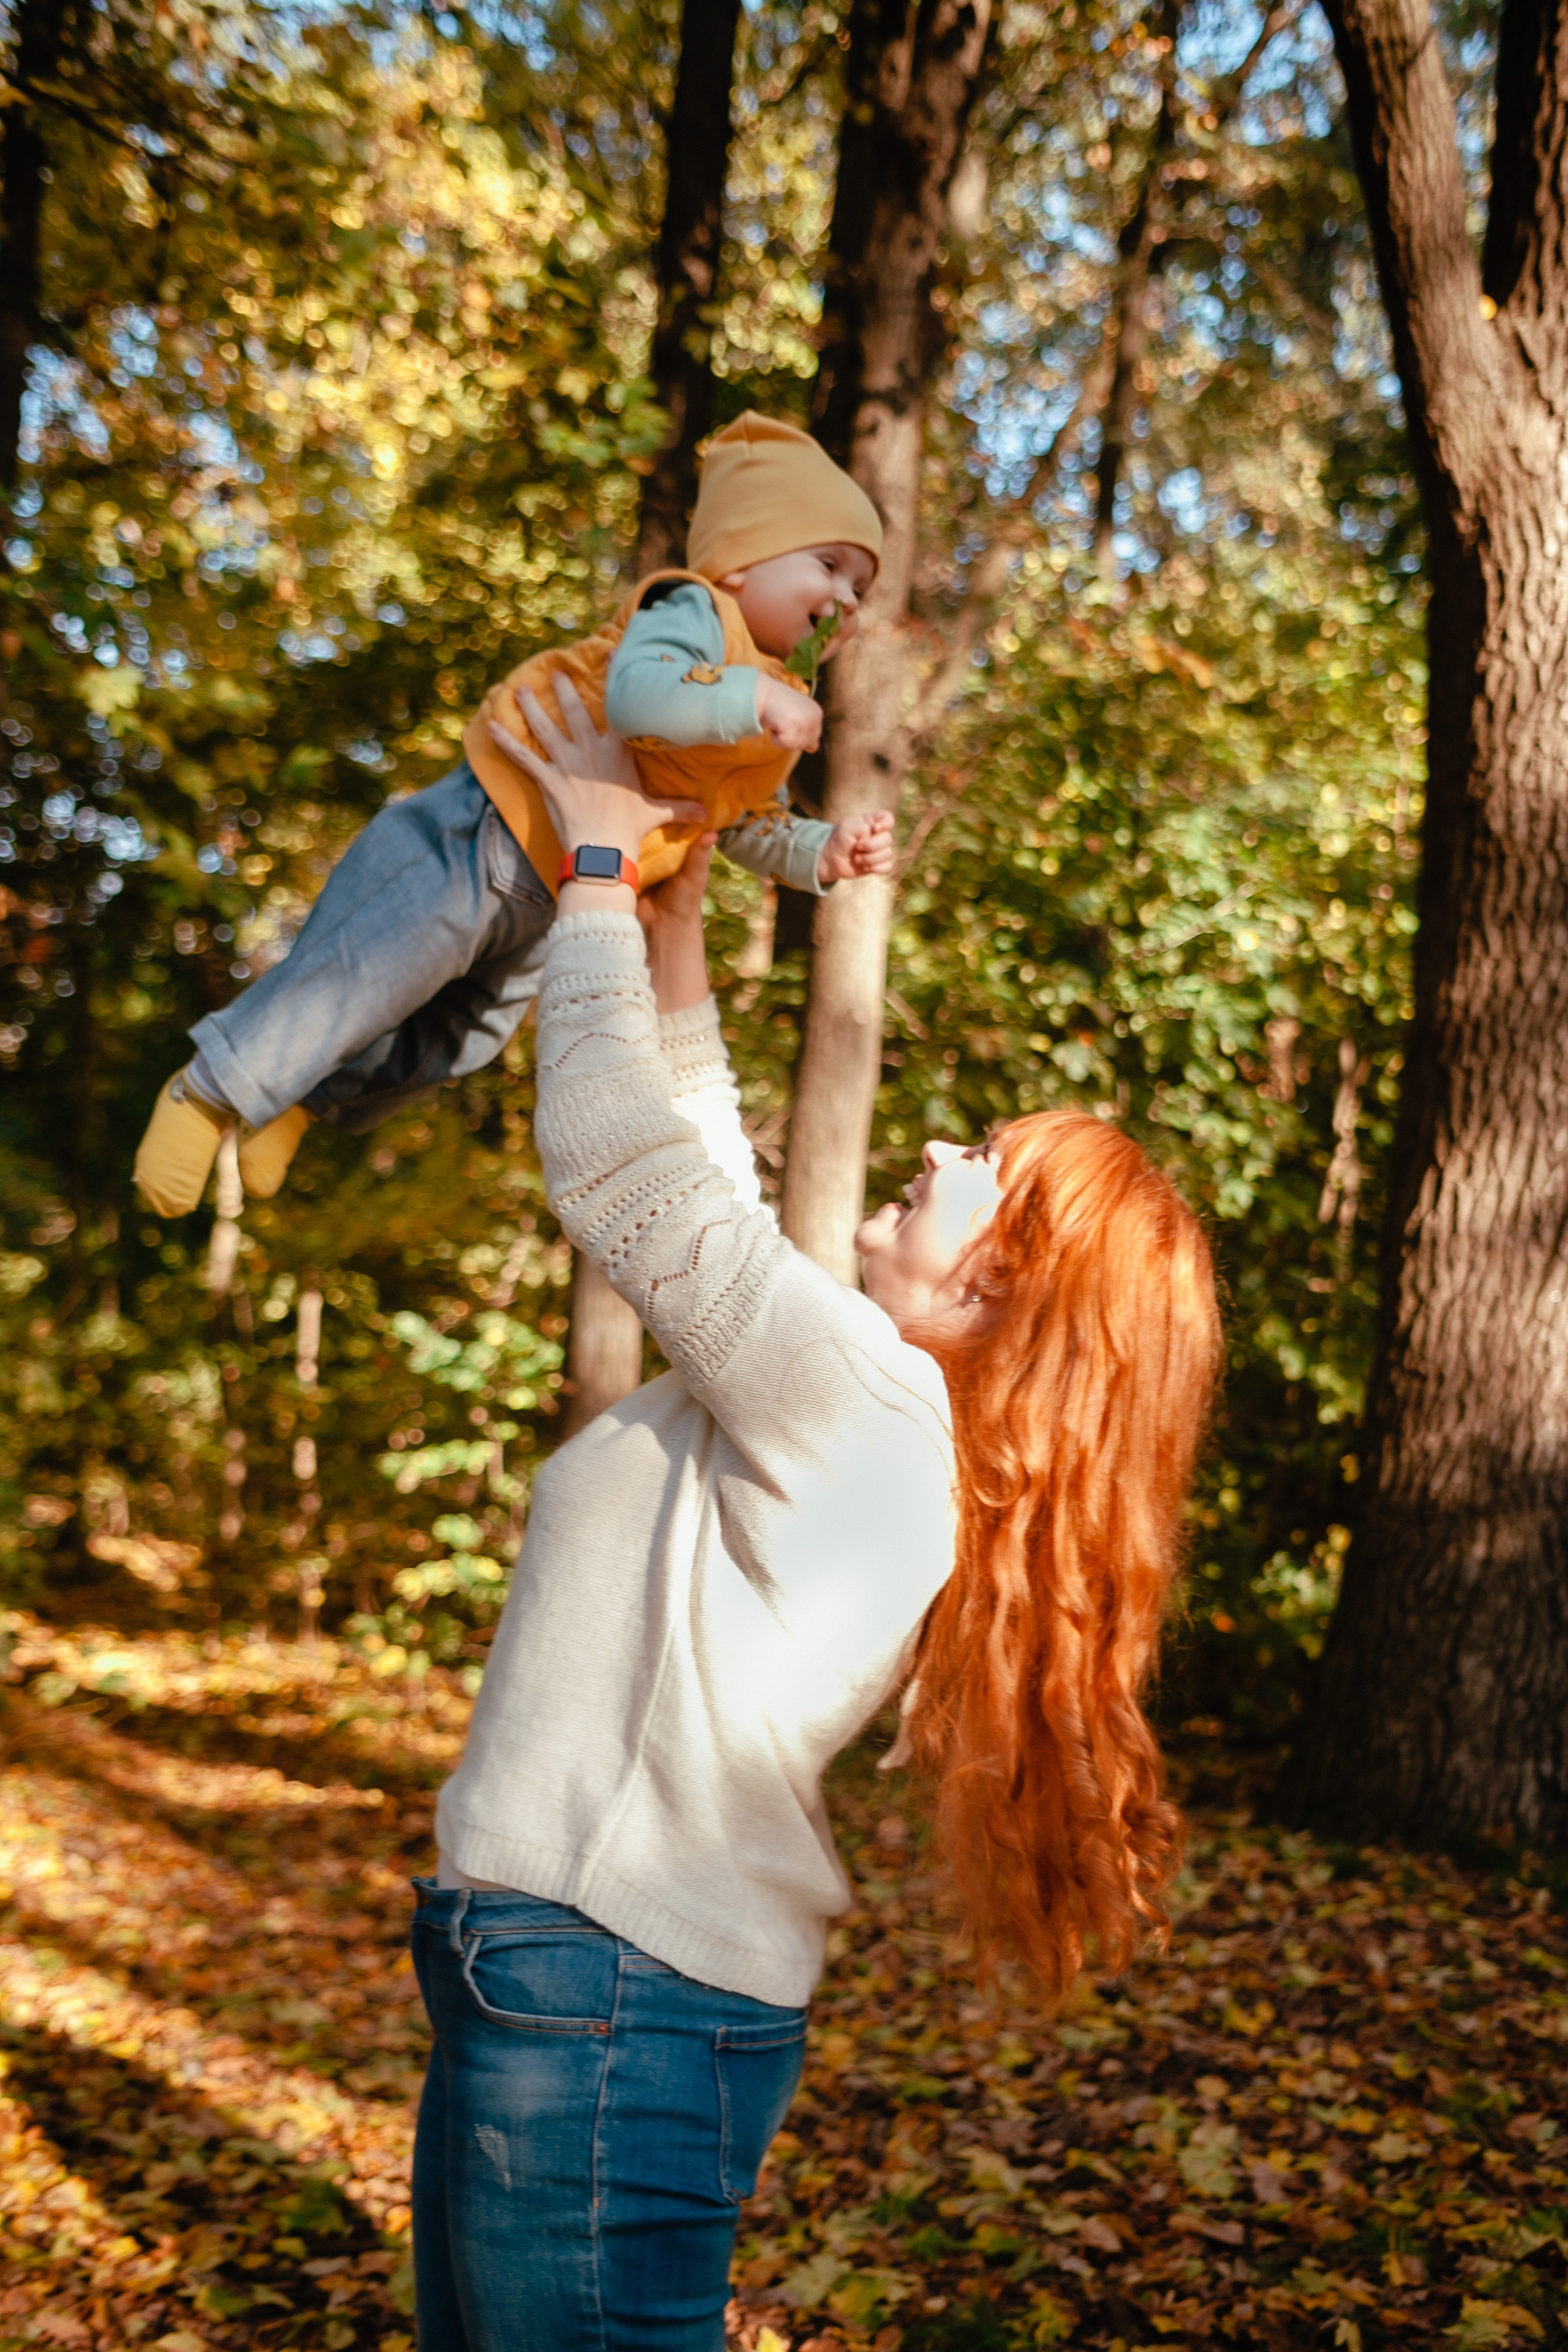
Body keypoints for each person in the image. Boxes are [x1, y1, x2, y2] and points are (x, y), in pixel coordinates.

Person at [408, 687, 1223, 2352]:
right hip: (600, 1993)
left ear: (1009, 1287)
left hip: (600, 1995)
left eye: (985, 1158)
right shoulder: (862, 1412)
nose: (938, 1145)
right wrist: (675, 931)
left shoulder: (860, 1405)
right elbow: (697, 1171)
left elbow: (623, 1170)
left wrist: (585, 875)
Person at [131, 413, 894, 1218]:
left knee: (465, 1039)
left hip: (559, 894)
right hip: (489, 830)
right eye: (830, 566)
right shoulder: (694, 611)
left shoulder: (777, 707)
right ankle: (210, 1088)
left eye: (861, 590)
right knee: (372, 969)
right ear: (741, 559)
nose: (845, 598)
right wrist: (752, 697)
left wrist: (821, 850)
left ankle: (304, 1098)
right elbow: (640, 698)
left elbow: (739, 821)